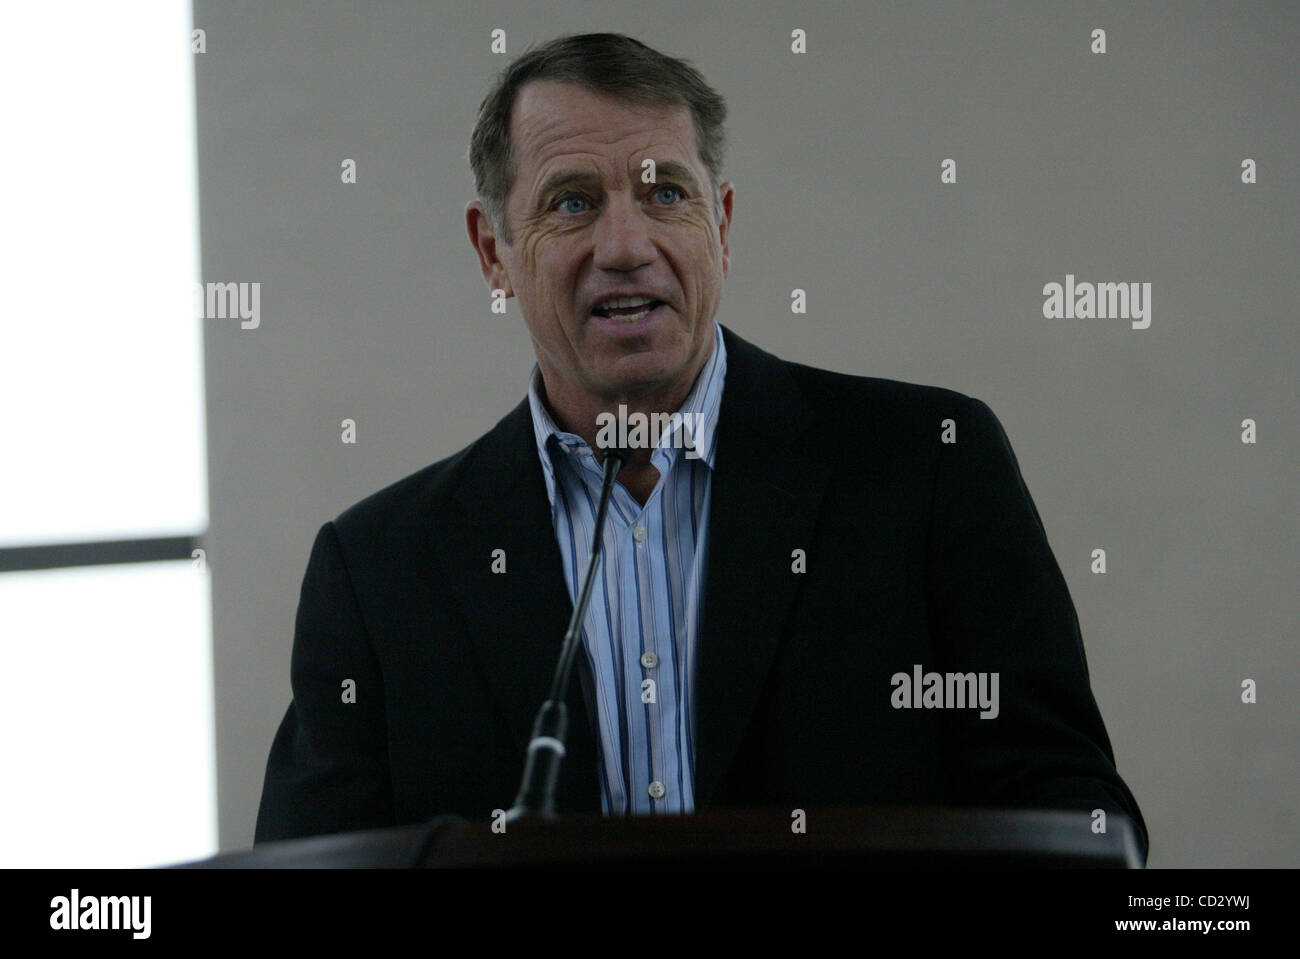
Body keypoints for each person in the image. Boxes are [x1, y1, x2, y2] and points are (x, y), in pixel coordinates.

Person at [254, 32, 1148, 862]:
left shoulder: (928, 471)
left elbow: (1075, 822)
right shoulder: (379, 573)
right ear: (493, 250)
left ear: (719, 225)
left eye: (664, 194)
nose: (626, 245)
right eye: (573, 203)